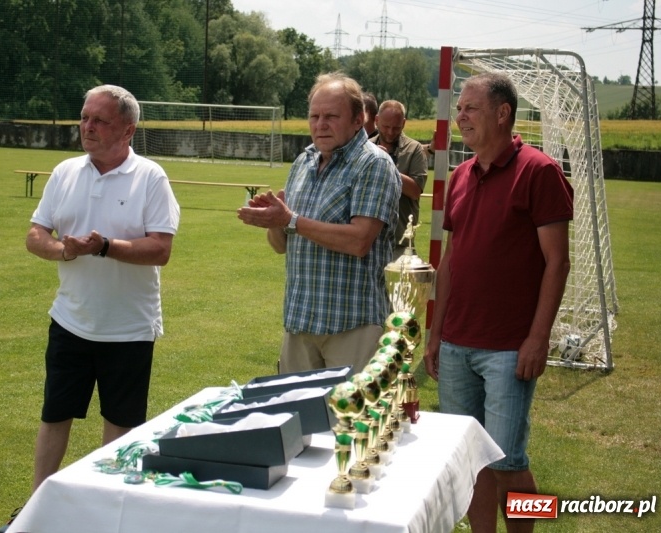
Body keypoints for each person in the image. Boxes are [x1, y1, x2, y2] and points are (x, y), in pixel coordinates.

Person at [0, 84, 180, 532]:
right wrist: (63, 250)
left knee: (120, 426)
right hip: (70, 319)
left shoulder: (150, 177)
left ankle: (106, 513)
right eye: (84, 117)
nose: (87, 127)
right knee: (54, 415)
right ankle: (37, 507)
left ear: (128, 130)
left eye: (100, 120)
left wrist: (104, 247)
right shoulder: (65, 172)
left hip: (129, 328)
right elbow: (35, 234)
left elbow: (160, 249)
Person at [423, 72, 573, 533]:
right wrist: (435, 333)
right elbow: (451, 262)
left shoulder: (539, 171)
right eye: (459, 109)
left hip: (510, 348)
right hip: (456, 345)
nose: (460, 117)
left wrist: (538, 338)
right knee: (468, 461)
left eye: (471, 108)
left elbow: (558, 262)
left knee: (509, 462)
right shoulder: (461, 176)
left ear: (503, 113)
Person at [237, 72, 400, 374]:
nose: (320, 124)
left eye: (331, 116)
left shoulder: (373, 164)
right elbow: (281, 246)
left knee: (352, 408)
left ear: (358, 120)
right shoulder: (304, 162)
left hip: (353, 326)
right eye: (314, 116)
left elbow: (359, 240)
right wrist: (273, 221)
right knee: (296, 408)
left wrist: (290, 219)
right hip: (300, 323)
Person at [369, 100, 428, 257]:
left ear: (404, 123)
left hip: (399, 244)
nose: (390, 132)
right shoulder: (365, 148)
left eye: (396, 128)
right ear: (376, 121)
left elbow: (415, 191)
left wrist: (386, 163)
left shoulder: (414, 149)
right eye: (386, 126)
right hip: (367, 242)